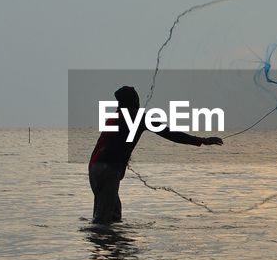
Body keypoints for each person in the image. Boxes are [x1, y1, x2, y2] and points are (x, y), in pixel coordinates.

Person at [89, 85, 223, 224]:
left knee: (112, 213)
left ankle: (107, 243)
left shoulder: (116, 116)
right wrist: (201, 141)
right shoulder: (137, 117)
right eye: (136, 98)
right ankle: (100, 240)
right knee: (104, 218)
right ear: (133, 100)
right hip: (108, 168)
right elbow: (169, 133)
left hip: (95, 167)